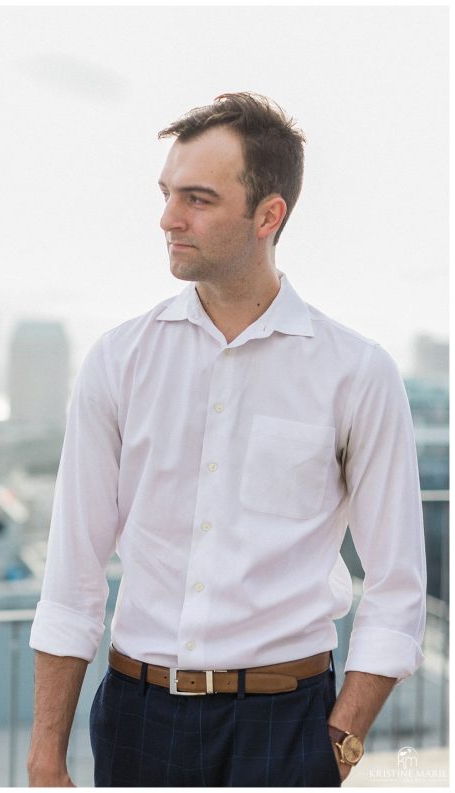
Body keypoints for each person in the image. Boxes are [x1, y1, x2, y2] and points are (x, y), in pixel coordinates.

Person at [27, 92, 426, 787]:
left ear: (269, 215)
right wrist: (44, 757)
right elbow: (72, 581)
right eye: (167, 193)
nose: (168, 218)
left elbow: (397, 588)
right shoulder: (119, 361)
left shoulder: (356, 373)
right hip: (136, 720)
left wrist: (338, 744)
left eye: (198, 198)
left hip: (288, 728)